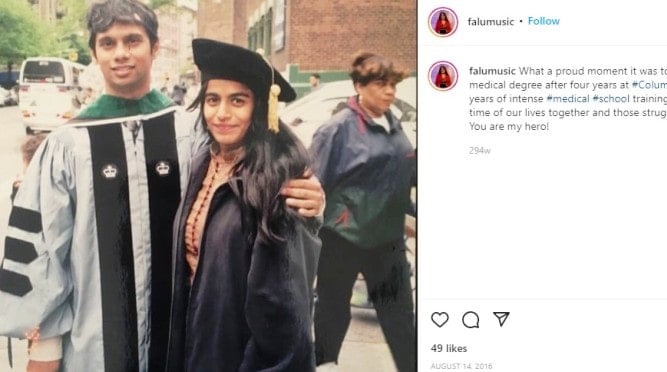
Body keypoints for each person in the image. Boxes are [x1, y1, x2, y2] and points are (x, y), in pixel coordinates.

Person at [0, 1, 323, 371]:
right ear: (94, 53)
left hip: (183, 345)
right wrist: (46, 349)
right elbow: (43, 250)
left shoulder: (192, 131)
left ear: (155, 48)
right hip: (94, 347)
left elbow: (263, 165)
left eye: (132, 40)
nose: (121, 53)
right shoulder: (66, 145)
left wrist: (314, 198)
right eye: (108, 43)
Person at [165, 38, 320, 372]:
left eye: (238, 100)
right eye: (213, 100)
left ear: (260, 107)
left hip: (240, 357)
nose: (222, 113)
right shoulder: (203, 162)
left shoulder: (280, 183)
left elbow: (285, 318)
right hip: (199, 344)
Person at [311, 52, 416, 372]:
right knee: (332, 311)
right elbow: (315, 186)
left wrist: (411, 215)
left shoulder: (393, 124)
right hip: (343, 238)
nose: (390, 91)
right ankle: (323, 365)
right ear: (359, 86)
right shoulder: (336, 129)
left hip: (387, 240)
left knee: (399, 317)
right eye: (381, 84)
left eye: (393, 84)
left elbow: (400, 174)